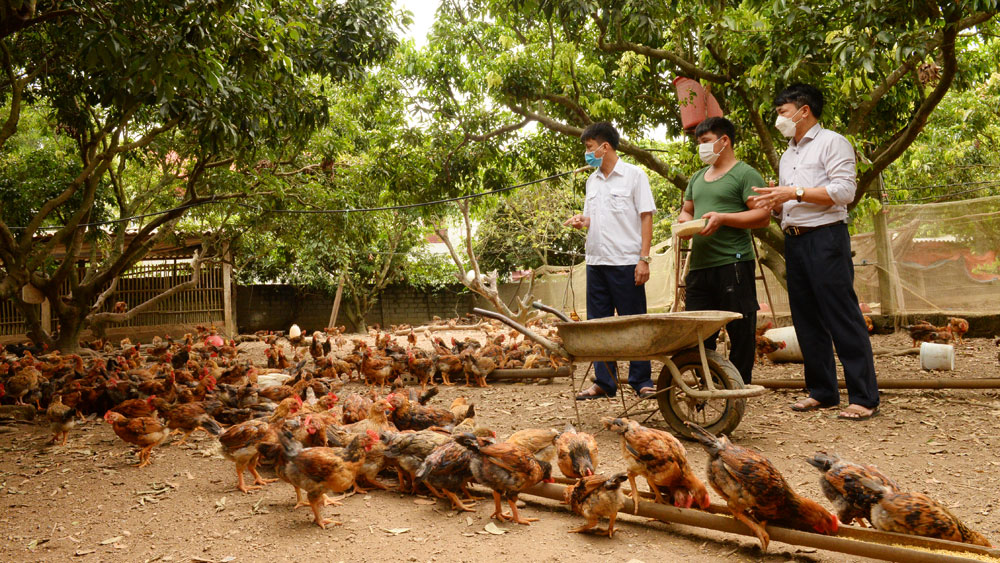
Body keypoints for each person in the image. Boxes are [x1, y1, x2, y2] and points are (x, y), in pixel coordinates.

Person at [748, 83, 879, 421]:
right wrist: (774, 204)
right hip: (795, 239)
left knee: (842, 315)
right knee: (806, 319)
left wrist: (795, 191)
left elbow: (844, 191)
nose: (778, 119)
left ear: (803, 110)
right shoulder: (788, 154)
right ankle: (822, 391)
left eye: (782, 112)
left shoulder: (833, 142)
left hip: (826, 238)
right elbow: (791, 200)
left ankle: (864, 398)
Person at [565, 121, 657, 400]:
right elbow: (597, 218)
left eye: (590, 147)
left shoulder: (634, 176)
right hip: (596, 262)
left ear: (605, 147)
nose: (587, 153)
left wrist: (644, 259)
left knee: (633, 323)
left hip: (626, 262)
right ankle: (604, 382)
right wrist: (583, 221)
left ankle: (641, 379)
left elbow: (646, 216)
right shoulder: (591, 181)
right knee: (598, 324)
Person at [676, 117, 770, 384]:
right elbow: (688, 210)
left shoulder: (745, 174)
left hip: (734, 262)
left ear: (724, 140)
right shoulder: (697, 177)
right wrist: (684, 220)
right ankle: (706, 384)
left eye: (705, 141)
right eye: (699, 143)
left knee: (740, 329)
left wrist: (723, 218)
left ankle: (738, 387)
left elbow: (763, 216)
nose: (701, 148)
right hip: (699, 266)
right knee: (697, 330)